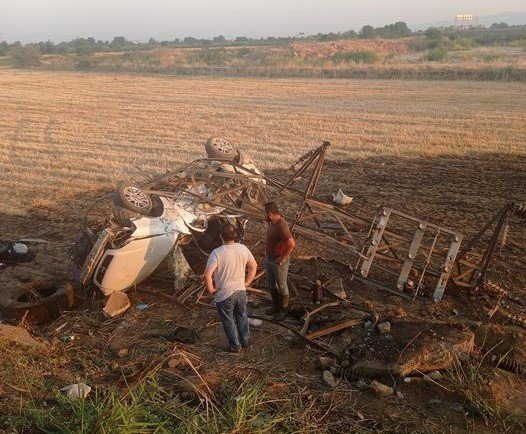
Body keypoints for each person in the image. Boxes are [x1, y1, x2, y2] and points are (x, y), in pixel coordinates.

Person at [204, 224, 257, 353]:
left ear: (220, 236)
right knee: (242, 317)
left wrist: (211, 289)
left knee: (228, 321)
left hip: (225, 294)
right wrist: (247, 282)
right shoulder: (243, 248)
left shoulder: (217, 253)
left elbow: (207, 274)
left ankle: (235, 346)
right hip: (241, 292)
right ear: (235, 236)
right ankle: (245, 342)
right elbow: (253, 266)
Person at [263, 202, 296, 320]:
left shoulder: (282, 226)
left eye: (265, 213)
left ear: (270, 214)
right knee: (271, 283)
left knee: (282, 285)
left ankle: (284, 309)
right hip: (270, 259)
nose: (264, 216)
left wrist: (284, 257)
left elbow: (291, 244)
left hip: (278, 261)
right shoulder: (273, 223)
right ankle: (276, 305)